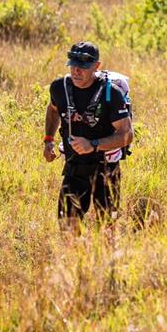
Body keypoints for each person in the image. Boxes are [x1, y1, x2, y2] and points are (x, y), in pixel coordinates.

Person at [44, 41, 133, 229]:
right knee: (67, 225)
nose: (76, 71)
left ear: (96, 66)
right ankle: (74, 257)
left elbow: (126, 135)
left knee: (107, 228)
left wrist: (92, 144)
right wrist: (49, 140)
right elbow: (53, 110)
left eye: (83, 66)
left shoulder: (111, 93)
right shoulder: (60, 88)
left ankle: (104, 258)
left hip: (106, 168)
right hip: (75, 167)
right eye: (73, 65)